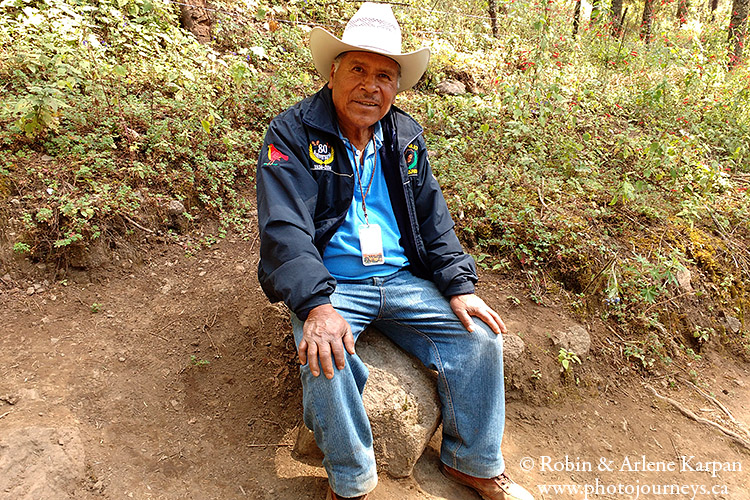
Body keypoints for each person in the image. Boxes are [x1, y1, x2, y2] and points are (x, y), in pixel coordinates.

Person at [256, 3, 535, 500]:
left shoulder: (403, 135)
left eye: (384, 75)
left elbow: (432, 216)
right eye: (358, 69)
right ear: (333, 72)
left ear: (397, 86)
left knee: (479, 341)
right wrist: (317, 306)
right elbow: (284, 229)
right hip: (333, 282)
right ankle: (352, 480)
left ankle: (472, 461)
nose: (371, 85)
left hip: (403, 280)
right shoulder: (292, 133)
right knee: (326, 353)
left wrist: (459, 285)